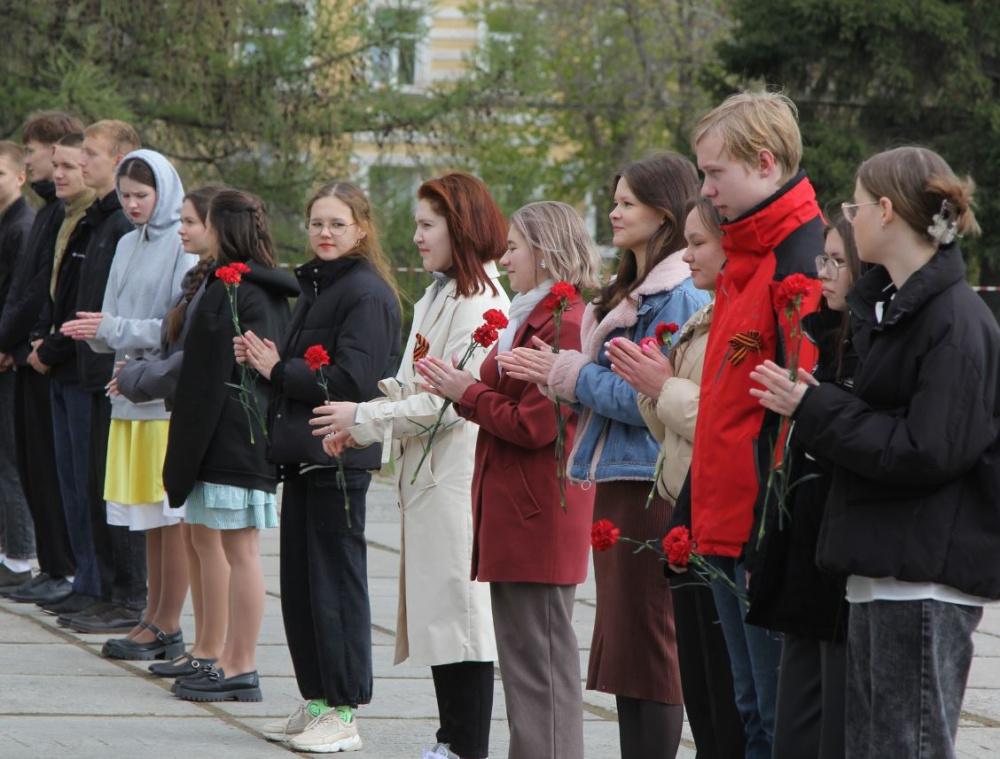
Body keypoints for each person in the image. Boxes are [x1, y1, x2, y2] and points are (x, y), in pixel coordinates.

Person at [751, 146, 1000, 759]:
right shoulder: (897, 310)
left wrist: (818, 410)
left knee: (903, 746)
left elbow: (927, 449)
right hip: (883, 568)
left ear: (886, 212)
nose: (848, 217)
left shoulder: (953, 319)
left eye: (855, 206)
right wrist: (819, 408)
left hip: (921, 576)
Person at [500, 152, 710, 758]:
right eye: (613, 201)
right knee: (624, 652)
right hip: (618, 479)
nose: (613, 214)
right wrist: (561, 374)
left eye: (626, 204)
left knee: (649, 646)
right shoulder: (633, 291)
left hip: (649, 479)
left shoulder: (674, 296)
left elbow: (650, 397)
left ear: (663, 213)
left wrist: (567, 374)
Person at [311, 173, 506, 759]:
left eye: (427, 226)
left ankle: (466, 745)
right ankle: (450, 737)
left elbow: (448, 404)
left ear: (461, 228)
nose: (416, 238)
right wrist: (359, 416)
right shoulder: (439, 294)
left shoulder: (481, 303)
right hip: (425, 477)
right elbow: (412, 380)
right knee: (439, 614)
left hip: (455, 477)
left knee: (462, 619)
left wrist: (364, 419)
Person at [415, 201, 600, 759]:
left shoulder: (563, 319)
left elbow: (535, 425)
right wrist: (465, 388)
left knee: (540, 671)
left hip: (537, 515)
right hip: (521, 513)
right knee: (528, 670)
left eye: (515, 247)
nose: (505, 256)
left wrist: (465, 392)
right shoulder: (533, 314)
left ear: (544, 252)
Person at [682, 90, 824, 759]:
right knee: (744, 709)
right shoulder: (744, 258)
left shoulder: (798, 259)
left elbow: (798, 404)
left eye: (716, 174)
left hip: (759, 529)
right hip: (723, 519)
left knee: (772, 717)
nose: (706, 190)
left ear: (765, 163)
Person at [242, 181, 401, 749]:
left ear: (361, 228)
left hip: (339, 456)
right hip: (305, 455)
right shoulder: (317, 283)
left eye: (337, 224)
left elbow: (356, 381)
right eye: (316, 224)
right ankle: (316, 701)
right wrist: (272, 364)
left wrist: (277, 370)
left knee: (337, 586)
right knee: (304, 588)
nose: (325, 234)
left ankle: (345, 711)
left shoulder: (366, 292)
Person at [606, 198, 744, 759]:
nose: (688, 256)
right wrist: (649, 387)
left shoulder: (720, 314)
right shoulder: (704, 312)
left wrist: (659, 388)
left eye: (700, 243)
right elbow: (672, 433)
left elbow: (723, 420)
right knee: (683, 675)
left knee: (724, 693)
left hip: (718, 513)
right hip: (685, 500)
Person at [163, 188, 297, 701]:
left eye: (208, 224)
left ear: (225, 230)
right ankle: (219, 655)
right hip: (219, 437)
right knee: (222, 544)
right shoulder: (229, 285)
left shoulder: (249, 291)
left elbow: (248, 373)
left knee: (240, 550)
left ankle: (240, 664)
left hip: (238, 438)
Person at [62, 150, 196, 656]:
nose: (134, 204)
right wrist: (98, 331)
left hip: (160, 398)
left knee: (169, 515)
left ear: (165, 190)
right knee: (146, 515)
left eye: (143, 195)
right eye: (126, 196)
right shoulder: (123, 242)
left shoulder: (181, 246)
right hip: (127, 391)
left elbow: (172, 326)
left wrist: (112, 329)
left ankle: (168, 622)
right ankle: (151, 616)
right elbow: (113, 317)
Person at [745, 214, 860, 759]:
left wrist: (815, 408)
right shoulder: (826, 332)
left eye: (840, 262)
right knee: (791, 724)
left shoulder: (872, 344)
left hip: (842, 561)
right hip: (803, 553)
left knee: (829, 728)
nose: (826, 273)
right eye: (824, 260)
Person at [114, 184, 231, 679]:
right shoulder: (202, 276)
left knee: (203, 538)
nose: (180, 230)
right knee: (171, 527)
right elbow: (173, 343)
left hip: (196, 419)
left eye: (190, 222)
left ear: (216, 228)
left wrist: (136, 377)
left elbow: (194, 360)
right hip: (176, 409)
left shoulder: (227, 283)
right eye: (180, 221)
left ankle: (212, 650)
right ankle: (185, 637)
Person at [51, 120, 142, 623]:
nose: (81, 162)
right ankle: (93, 583)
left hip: (112, 374)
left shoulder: (123, 223)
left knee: (110, 488)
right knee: (84, 483)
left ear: (121, 158)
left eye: (89, 154)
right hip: (87, 369)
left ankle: (121, 594)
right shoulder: (97, 219)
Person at [0, 112, 82, 605]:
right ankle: (51, 566)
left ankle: (47, 563)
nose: (33, 162)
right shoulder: (49, 212)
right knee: (30, 465)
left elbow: (34, 293)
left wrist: (12, 343)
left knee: (44, 468)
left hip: (48, 359)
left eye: (36, 153)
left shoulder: (37, 218)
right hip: (27, 352)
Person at [25, 133, 99, 611]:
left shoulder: (96, 222)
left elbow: (82, 302)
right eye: (58, 165)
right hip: (53, 357)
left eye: (72, 165)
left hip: (79, 366)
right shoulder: (64, 215)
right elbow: (41, 287)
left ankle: (90, 580)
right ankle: (77, 578)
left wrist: (48, 348)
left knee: (85, 481)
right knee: (65, 477)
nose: (61, 174)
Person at [0, 141, 37, 590]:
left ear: (20, 177)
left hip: (11, 355)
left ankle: (20, 556)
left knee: (10, 457)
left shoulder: (21, 226)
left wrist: (7, 342)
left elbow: (20, 296)